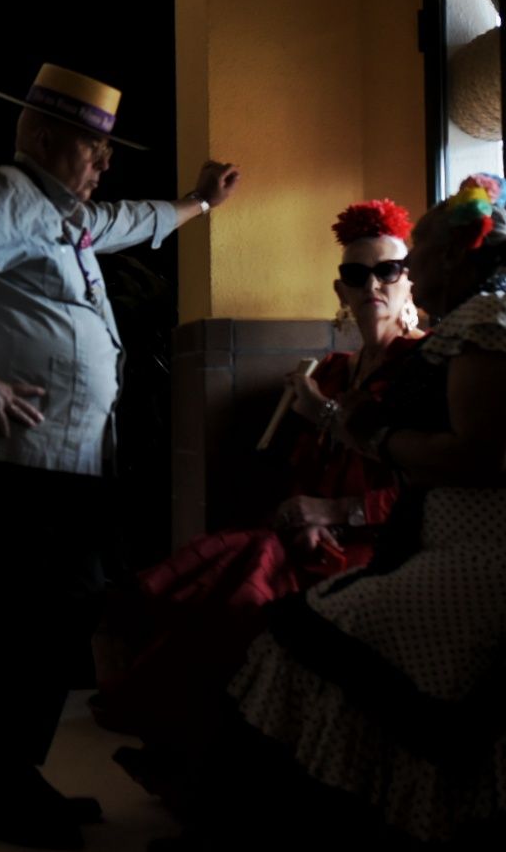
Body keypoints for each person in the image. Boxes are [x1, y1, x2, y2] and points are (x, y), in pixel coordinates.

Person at [0, 63, 240, 849]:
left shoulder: (64, 218)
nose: (105, 160)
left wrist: (197, 203)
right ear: (42, 136)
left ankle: (11, 777)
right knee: (18, 619)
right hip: (17, 457)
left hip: (57, 460)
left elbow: (126, 219)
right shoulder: (8, 193)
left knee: (48, 612)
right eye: (93, 145)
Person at [224, 174, 506, 844]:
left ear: (450, 256)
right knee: (310, 621)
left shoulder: (492, 323)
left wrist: (376, 435)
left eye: (411, 256)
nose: (409, 271)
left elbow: (478, 457)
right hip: (481, 548)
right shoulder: (477, 322)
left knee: (307, 634)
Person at [95, 200, 422, 770]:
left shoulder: (421, 364)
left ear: (408, 281)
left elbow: (423, 487)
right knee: (232, 566)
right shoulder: (333, 370)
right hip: (312, 536)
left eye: (387, 270)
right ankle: (182, 744)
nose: (372, 284)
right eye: (356, 274)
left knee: (249, 581)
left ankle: (191, 753)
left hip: (378, 544)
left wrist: (335, 512)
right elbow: (302, 469)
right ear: (340, 289)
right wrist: (304, 514)